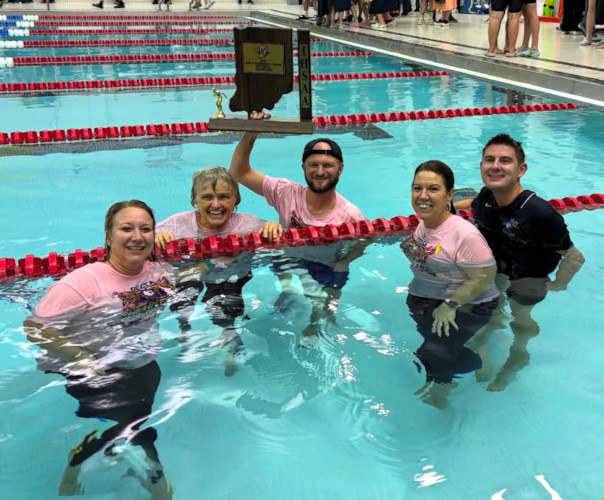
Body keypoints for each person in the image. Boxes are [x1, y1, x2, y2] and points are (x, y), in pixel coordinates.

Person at [24, 200, 175, 499]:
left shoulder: (161, 273)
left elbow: (136, 312)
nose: (137, 236)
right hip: (97, 371)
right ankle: (156, 485)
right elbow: (34, 328)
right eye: (126, 228)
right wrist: (81, 359)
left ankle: (78, 462)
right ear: (108, 237)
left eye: (145, 229)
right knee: (135, 426)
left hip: (142, 366)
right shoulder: (83, 283)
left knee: (135, 422)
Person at [456, 134, 585, 391]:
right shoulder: (488, 195)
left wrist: (558, 284)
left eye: (505, 161)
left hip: (529, 278)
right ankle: (490, 328)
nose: (495, 166)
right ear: (481, 165)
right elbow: (474, 204)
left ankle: (519, 353)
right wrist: (446, 205)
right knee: (485, 300)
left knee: (520, 317)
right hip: (502, 266)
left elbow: (574, 257)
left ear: (521, 170)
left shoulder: (539, 213)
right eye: (489, 160)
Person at [229, 112, 368, 345]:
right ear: (303, 167)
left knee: (324, 304)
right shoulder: (286, 193)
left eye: (327, 165)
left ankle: (315, 324)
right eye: (313, 165)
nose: (320, 171)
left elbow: (366, 239)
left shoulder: (350, 215)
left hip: (327, 267)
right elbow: (239, 172)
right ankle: (288, 293)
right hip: (289, 260)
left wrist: (346, 260)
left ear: (340, 169)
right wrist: (252, 130)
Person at [155, 167, 282, 374]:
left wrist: (273, 228)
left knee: (226, 308)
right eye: (207, 197)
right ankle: (184, 331)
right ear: (194, 200)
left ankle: (231, 338)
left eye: (224, 197)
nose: (216, 204)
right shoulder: (175, 227)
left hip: (230, 277)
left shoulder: (248, 225)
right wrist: (156, 240)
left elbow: (286, 242)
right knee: (182, 300)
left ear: (235, 200)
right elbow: (139, 250)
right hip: (189, 272)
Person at [401, 161, 499, 409]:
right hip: (429, 297)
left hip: (470, 303)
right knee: (426, 355)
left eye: (433, 189)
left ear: (449, 195)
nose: (423, 196)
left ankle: (463, 372)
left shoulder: (465, 236)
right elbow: (427, 249)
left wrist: (450, 304)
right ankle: (463, 358)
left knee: (435, 355)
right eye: (417, 188)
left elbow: (485, 278)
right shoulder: (426, 221)